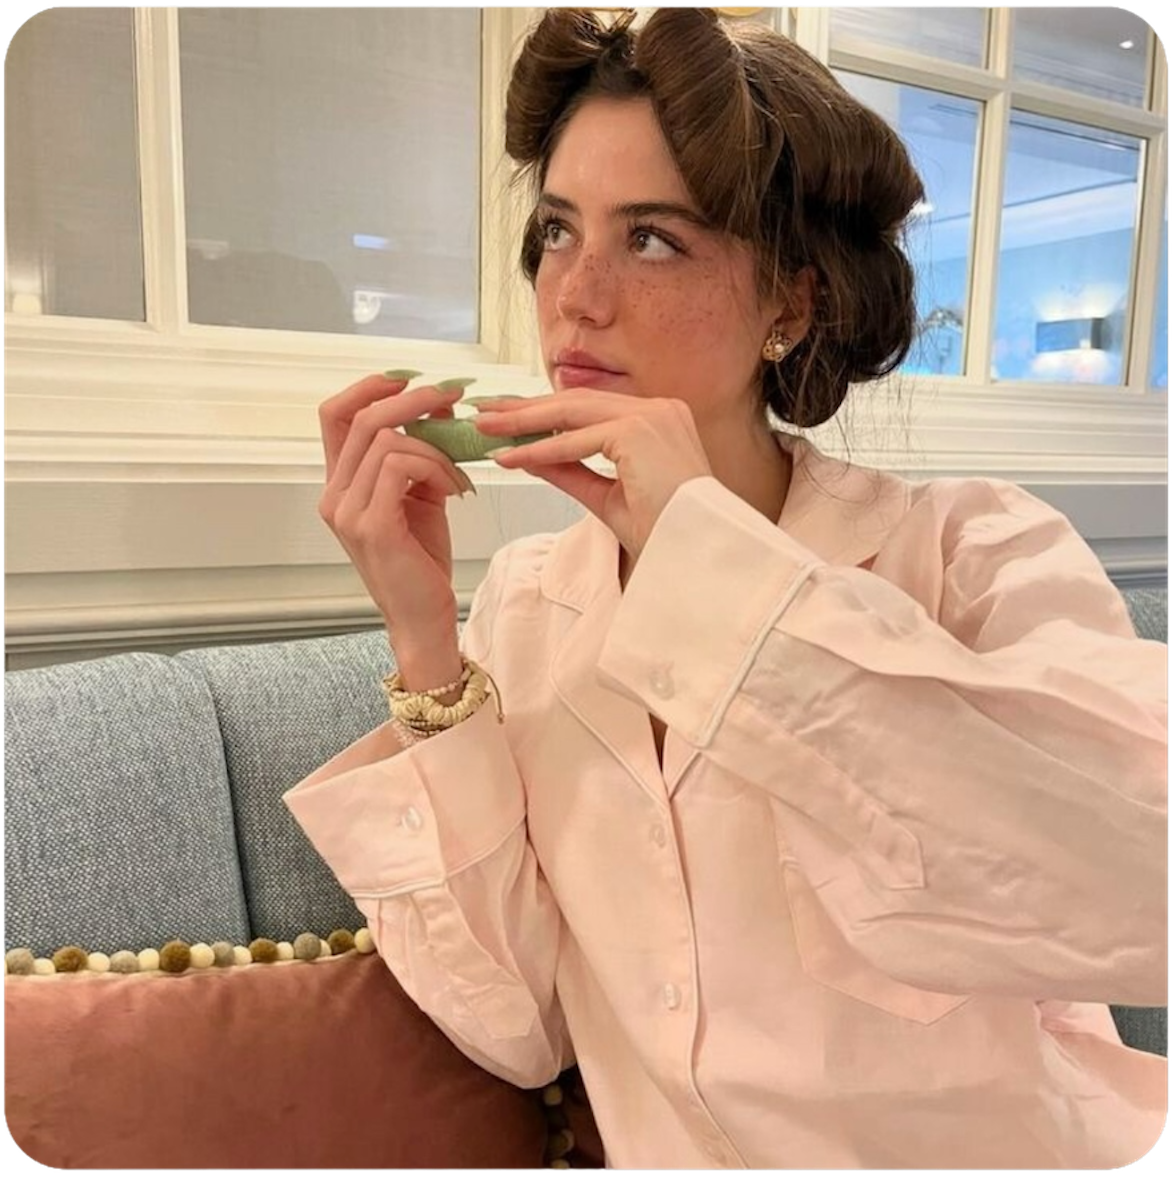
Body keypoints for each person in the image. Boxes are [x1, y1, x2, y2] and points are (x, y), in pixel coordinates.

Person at [283, 6, 1168, 1171]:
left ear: (790, 307)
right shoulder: (532, 605)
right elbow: (518, 1026)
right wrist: (422, 641)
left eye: (652, 239)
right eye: (558, 230)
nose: (576, 298)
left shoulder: (969, 555)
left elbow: (1137, 888)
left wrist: (720, 582)